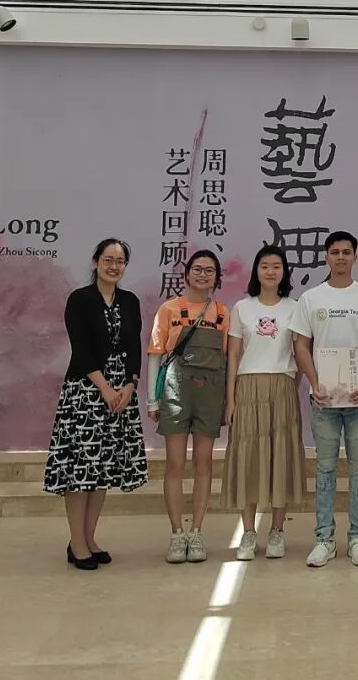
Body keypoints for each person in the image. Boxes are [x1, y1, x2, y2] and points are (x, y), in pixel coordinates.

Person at [43, 238, 147, 570]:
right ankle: (77, 543)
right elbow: (82, 349)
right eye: (108, 259)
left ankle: (89, 539)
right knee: (80, 471)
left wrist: (129, 385)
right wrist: (105, 388)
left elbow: (134, 347)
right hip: (86, 392)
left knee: (101, 470)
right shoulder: (80, 299)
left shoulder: (129, 301)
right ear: (95, 262)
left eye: (120, 261)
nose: (114, 266)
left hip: (120, 395)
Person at [291, 231, 358, 568]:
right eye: (335, 252)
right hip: (323, 402)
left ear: (355, 257)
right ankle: (324, 539)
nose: (341, 257)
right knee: (325, 468)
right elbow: (301, 344)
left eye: (347, 252)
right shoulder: (311, 299)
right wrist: (314, 383)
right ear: (326, 257)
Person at [222, 245, 306, 560]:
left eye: (276, 266)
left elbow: (301, 353)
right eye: (264, 266)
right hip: (247, 388)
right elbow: (233, 355)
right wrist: (231, 398)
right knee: (248, 457)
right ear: (256, 271)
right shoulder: (242, 308)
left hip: (282, 387)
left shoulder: (295, 308)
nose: (270, 271)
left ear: (284, 272)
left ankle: (277, 531)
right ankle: (248, 532)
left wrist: (291, 385)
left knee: (280, 457)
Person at [146, 250, 228, 564]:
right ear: (186, 273)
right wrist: (152, 399)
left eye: (209, 270)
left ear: (217, 278)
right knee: (175, 464)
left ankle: (197, 532)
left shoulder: (222, 313)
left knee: (204, 463)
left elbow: (227, 358)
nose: (203, 275)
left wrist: (227, 400)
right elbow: (155, 354)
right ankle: (176, 533)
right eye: (197, 269)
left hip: (210, 394)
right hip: (175, 392)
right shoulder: (169, 309)